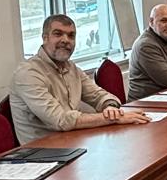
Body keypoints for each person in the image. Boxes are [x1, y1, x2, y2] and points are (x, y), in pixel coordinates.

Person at [12, 14, 150, 143]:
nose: (65, 40)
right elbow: (60, 120)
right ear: (45, 38)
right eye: (58, 34)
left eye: (71, 36)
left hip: (72, 141)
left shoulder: (71, 68)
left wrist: (111, 108)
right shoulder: (28, 73)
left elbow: (98, 95)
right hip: (43, 151)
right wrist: (112, 119)